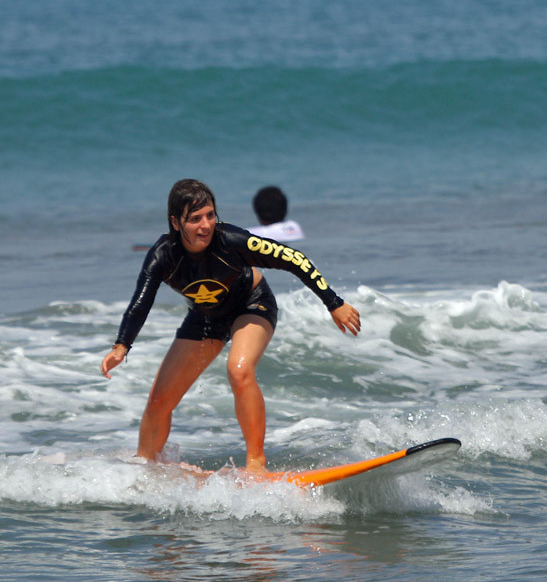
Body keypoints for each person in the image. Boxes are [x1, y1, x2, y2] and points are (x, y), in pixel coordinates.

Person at [100, 179, 361, 473]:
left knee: (239, 369)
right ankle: (145, 467)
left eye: (210, 215)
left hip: (251, 304)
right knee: (160, 399)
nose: (206, 225)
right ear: (176, 222)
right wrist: (121, 347)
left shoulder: (232, 241)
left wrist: (334, 303)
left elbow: (293, 258)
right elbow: (141, 301)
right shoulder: (163, 255)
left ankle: (256, 465)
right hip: (206, 318)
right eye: (195, 219)